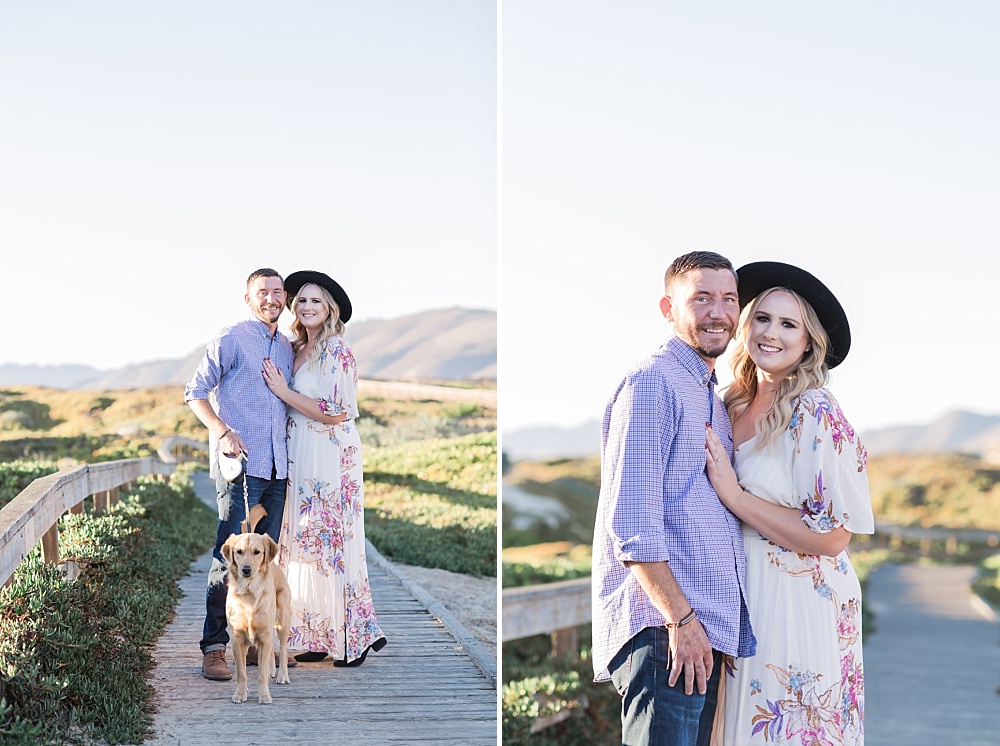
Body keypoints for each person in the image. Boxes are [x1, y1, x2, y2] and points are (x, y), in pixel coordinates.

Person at [704, 261, 874, 745]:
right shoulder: (728, 402)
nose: (770, 333)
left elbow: (833, 536)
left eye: (787, 324)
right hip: (738, 595)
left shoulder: (815, 409)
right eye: (762, 318)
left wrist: (735, 496)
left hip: (798, 599)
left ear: (807, 342)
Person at [592, 251, 756, 746]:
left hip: (697, 634)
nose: (718, 311)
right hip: (665, 631)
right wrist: (681, 621)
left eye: (728, 299)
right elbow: (633, 525)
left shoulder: (709, 393)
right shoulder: (652, 383)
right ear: (668, 308)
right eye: (700, 298)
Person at [261, 270, 387, 667]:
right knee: (307, 542)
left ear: (328, 308)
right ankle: (318, 633)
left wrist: (285, 392)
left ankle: (353, 639)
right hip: (300, 452)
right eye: (301, 300)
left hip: (330, 455)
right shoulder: (297, 348)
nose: (307, 306)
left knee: (334, 541)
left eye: (316, 301)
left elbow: (336, 411)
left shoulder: (337, 349)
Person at [185, 267, 297, 681]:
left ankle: (253, 643)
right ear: (248, 299)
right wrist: (221, 431)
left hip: (278, 467)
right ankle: (215, 647)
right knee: (228, 556)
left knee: (264, 559)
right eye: (262, 292)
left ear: (285, 298)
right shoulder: (230, 339)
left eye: (277, 291)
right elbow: (194, 391)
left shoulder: (286, 346)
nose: (271, 298)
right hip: (239, 469)